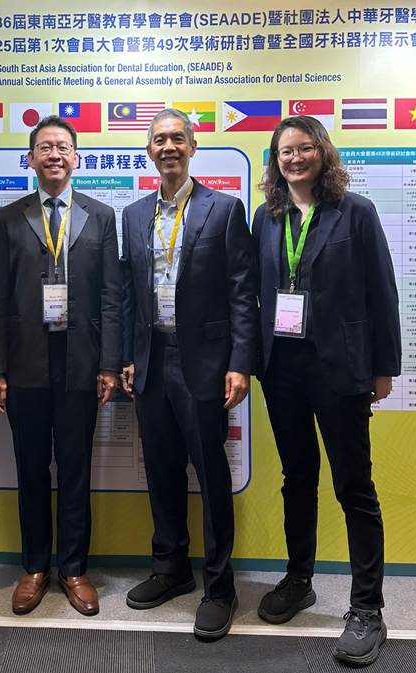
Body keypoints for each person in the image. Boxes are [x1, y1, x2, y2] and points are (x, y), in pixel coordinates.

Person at [252, 115, 401, 666]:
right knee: (297, 479)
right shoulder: (267, 218)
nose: (294, 158)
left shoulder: (355, 211)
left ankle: (367, 608)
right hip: (282, 368)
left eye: (304, 148)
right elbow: (254, 292)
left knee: (354, 487)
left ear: (322, 152)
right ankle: (299, 580)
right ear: (276, 161)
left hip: (340, 368)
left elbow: (382, 291)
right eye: (285, 152)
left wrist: (383, 368)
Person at [120, 108, 258, 640]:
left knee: (211, 473)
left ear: (193, 147)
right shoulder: (134, 215)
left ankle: (219, 587)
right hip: (152, 360)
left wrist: (240, 363)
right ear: (149, 152)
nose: (168, 147)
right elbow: (130, 294)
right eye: (159, 140)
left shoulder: (224, 209)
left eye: (178, 138)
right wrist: (129, 354)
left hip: (204, 363)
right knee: (161, 470)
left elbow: (242, 291)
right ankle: (171, 568)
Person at [0, 116, 122, 617]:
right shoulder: (7, 218)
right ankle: (35, 566)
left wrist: (110, 363)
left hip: (82, 364)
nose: (55, 155)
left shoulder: (101, 216)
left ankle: (74, 568)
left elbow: (111, 295)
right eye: (45, 147)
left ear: (76, 157)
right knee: (30, 468)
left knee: (76, 468)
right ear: (30, 159)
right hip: (24, 365)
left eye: (63, 147)